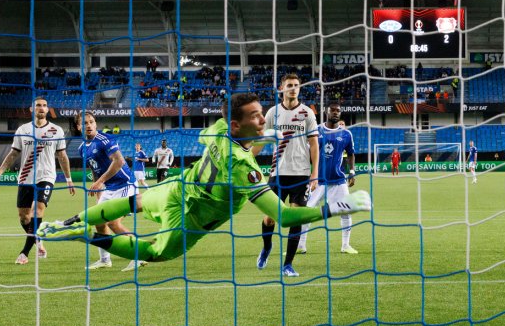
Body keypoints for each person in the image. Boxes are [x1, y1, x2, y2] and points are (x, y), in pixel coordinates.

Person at [38, 93, 370, 268]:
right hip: (189, 218)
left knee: (135, 202)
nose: (262, 117)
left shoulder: (219, 129)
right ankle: (84, 237)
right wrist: (341, 206)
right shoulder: (245, 170)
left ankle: (71, 220)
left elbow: (251, 134)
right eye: (256, 115)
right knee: (156, 254)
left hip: (174, 188)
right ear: (239, 126)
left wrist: (268, 135)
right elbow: (285, 216)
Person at [0, 98, 75, 264]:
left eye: (44, 106)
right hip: (25, 178)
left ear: (48, 109)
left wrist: (69, 179)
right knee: (24, 218)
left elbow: (62, 156)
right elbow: (13, 154)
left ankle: (24, 253)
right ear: (32, 109)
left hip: (46, 177)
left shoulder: (56, 130)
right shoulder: (23, 129)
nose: (41, 108)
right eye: (38, 106)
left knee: (37, 211)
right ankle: (37, 238)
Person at [258, 73, 319, 275]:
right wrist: (246, 157)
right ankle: (267, 247)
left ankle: (287, 265)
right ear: (281, 89)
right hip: (277, 173)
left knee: (294, 219)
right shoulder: (272, 113)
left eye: (296, 85)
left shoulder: (307, 113)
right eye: (289, 85)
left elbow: (313, 144)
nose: (293, 88)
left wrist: (314, 174)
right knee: (269, 219)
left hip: (301, 174)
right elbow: (260, 142)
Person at [296, 103, 357, 268]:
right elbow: (307, 153)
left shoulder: (346, 134)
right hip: (318, 181)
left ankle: (346, 245)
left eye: (338, 110)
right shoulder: (316, 130)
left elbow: (351, 154)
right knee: (307, 212)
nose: (335, 113)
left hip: (338, 181)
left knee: (346, 211)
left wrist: (352, 171)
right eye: (333, 110)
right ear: (326, 112)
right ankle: (300, 245)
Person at [78, 113, 137, 270]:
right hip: (109, 188)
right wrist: (99, 192)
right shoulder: (82, 148)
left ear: (96, 124)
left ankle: (138, 256)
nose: (89, 125)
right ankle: (105, 260)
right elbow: (94, 170)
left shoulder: (105, 140)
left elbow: (119, 161)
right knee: (99, 222)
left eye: (91, 122)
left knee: (113, 223)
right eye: (84, 123)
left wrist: (99, 182)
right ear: (79, 127)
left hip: (125, 184)